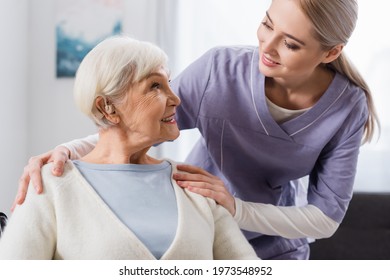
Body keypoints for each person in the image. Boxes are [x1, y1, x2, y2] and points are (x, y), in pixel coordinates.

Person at [13, 0, 379, 260]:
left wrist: (235, 208)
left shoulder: (347, 107)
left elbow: (326, 218)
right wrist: (68, 151)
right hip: (196, 231)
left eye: (291, 43)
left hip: (276, 249)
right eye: (268, 24)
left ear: (330, 53)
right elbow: (137, 123)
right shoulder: (219, 71)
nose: (266, 47)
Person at [0, 35, 258, 260]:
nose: (176, 98)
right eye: (155, 86)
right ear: (107, 108)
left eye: (169, 83)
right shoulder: (52, 185)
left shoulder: (195, 186)